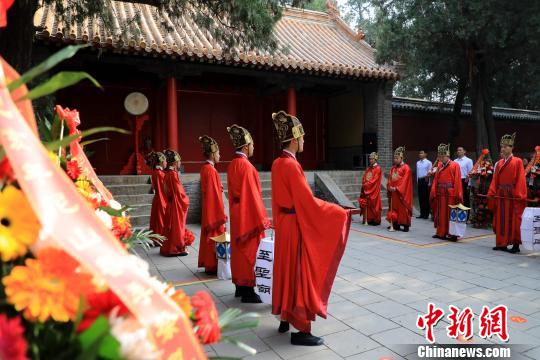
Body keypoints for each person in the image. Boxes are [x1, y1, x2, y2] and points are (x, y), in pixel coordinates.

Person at [270, 111, 353, 346]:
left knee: (285, 270)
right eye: (303, 137)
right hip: (295, 225)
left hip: (284, 224)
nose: (305, 141)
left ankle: (285, 316)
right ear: (295, 139)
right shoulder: (292, 166)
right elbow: (306, 202)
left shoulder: (277, 163)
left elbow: (279, 200)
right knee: (299, 273)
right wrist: (337, 211)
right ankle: (301, 329)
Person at [226, 124, 270, 303]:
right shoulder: (247, 166)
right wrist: (262, 219)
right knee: (249, 250)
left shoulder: (232, 165)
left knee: (238, 249)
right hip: (247, 214)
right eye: (252, 145)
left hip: (237, 213)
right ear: (245, 146)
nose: (253, 148)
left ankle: (239, 286)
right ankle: (247, 290)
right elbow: (253, 196)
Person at [487, 133, 527, 253]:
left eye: (506, 147)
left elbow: (520, 179)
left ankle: (515, 245)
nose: (503, 149)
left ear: (511, 147)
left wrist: (519, 194)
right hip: (501, 195)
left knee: (514, 220)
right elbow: (495, 180)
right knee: (501, 220)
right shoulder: (499, 163)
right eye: (502, 147)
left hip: (512, 196)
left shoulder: (517, 161)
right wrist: (492, 192)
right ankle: (501, 243)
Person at [198, 135, 227, 275]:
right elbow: (214, 194)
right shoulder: (211, 170)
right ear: (213, 153)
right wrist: (220, 213)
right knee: (214, 234)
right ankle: (212, 264)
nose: (220, 155)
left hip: (207, 207)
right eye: (219, 153)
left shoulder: (205, 168)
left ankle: (209, 263)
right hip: (213, 208)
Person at [160, 149, 195, 257]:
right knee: (176, 227)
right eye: (179, 161)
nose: (180, 163)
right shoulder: (173, 175)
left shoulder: (166, 174)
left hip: (170, 204)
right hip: (176, 205)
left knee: (170, 228)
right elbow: (180, 193)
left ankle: (168, 248)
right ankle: (176, 248)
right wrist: (186, 200)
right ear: (175, 163)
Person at [430, 144, 463, 241]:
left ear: (447, 155)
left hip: (450, 194)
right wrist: (434, 190)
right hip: (441, 193)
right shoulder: (439, 165)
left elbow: (457, 180)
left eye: (442, 156)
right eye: (439, 156)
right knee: (440, 213)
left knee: (450, 214)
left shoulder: (455, 165)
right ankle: (440, 232)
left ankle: (452, 234)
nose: (440, 158)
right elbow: (436, 179)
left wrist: (457, 194)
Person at [387, 146, 413, 232]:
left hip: (402, 193)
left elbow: (405, 181)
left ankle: (405, 225)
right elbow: (390, 179)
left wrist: (397, 188)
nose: (395, 160)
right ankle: (395, 223)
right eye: (394, 158)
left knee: (403, 209)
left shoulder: (406, 168)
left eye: (397, 158)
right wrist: (389, 186)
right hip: (394, 193)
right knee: (394, 208)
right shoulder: (393, 168)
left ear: (402, 158)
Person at [147, 151, 167, 239]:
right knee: (160, 220)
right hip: (161, 198)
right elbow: (162, 189)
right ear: (161, 162)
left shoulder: (156, 172)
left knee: (157, 220)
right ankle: (160, 238)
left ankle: (157, 238)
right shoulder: (160, 173)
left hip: (158, 198)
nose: (166, 162)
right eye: (165, 160)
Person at [359, 152, 382, 225]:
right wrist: (364, 183)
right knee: (367, 204)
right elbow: (364, 177)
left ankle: (375, 220)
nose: (370, 160)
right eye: (370, 159)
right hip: (367, 188)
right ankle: (368, 219)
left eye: (372, 159)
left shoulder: (378, 168)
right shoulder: (368, 168)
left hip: (374, 189)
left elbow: (374, 180)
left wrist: (366, 185)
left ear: (375, 159)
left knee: (374, 204)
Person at [416, 150, 432, 219]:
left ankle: (426, 214)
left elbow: (430, 173)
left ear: (426, 154)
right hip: (420, 180)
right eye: (419, 153)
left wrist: (429, 182)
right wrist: (417, 181)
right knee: (421, 197)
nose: (420, 154)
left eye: (422, 153)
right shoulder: (418, 163)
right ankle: (422, 213)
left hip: (425, 180)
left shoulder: (428, 162)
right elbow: (417, 172)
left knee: (426, 197)